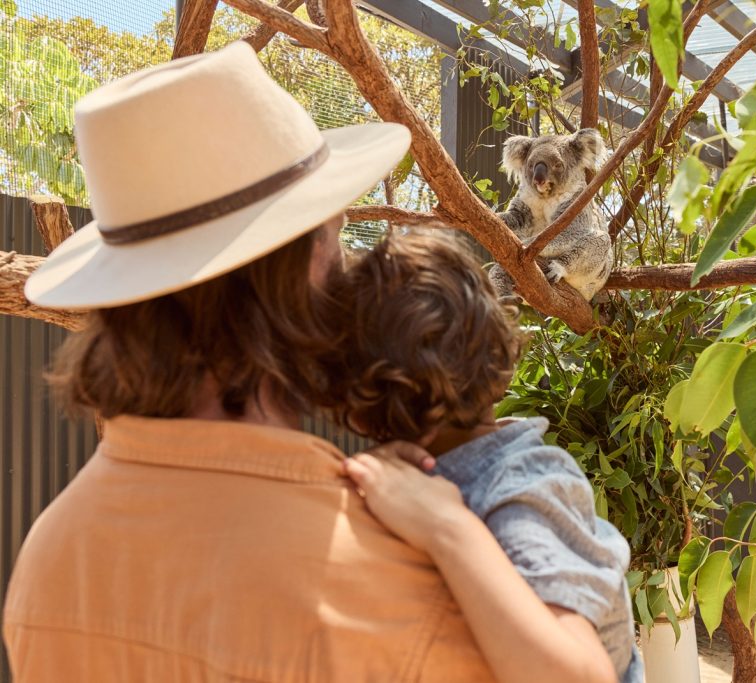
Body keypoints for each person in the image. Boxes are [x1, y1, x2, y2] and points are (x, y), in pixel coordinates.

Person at [3, 42, 501, 682]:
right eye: (331, 233)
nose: (347, 265)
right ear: (288, 277)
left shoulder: (50, 558)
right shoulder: (400, 580)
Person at [327, 232, 641, 683]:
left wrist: (447, 529)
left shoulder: (520, 488)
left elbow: (580, 676)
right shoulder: (450, 470)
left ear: (360, 409)